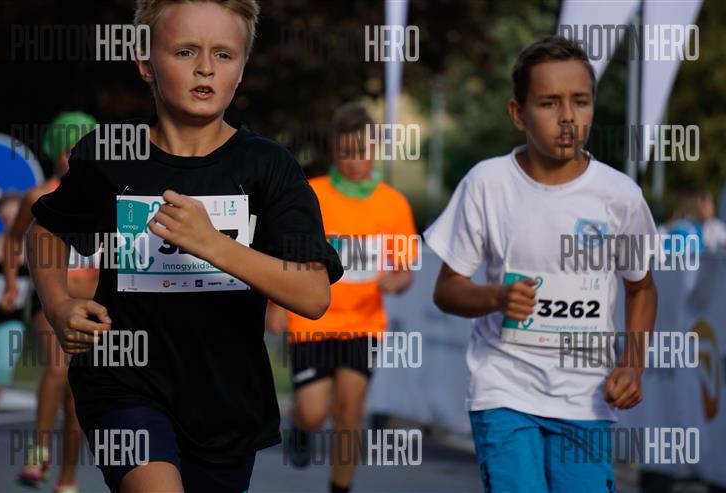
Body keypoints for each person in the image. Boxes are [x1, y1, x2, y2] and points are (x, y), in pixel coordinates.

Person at [26, 1, 342, 492]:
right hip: (121, 384)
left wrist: (212, 244)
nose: (205, 68)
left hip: (226, 401)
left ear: (242, 68)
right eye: (185, 51)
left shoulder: (269, 166)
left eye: (224, 54)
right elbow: (45, 229)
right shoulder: (111, 154)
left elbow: (314, 295)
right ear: (145, 63)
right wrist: (57, 304)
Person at [424, 36, 659, 493]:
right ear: (519, 114)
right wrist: (495, 297)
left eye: (580, 101)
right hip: (504, 387)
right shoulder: (487, 184)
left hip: (585, 397)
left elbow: (641, 287)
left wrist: (632, 365)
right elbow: (447, 289)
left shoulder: (620, 196)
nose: (568, 116)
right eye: (549, 103)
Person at [266, 102, 418, 493]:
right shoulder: (313, 194)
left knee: (350, 412)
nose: (353, 161)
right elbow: (288, 256)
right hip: (311, 321)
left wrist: (396, 281)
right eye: (345, 152)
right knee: (315, 412)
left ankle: (340, 488)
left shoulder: (392, 204)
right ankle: (301, 427)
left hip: (363, 325)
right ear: (334, 148)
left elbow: (405, 269)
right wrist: (277, 304)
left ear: (374, 150)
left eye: (361, 152)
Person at [2, 111, 98, 493]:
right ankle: (38, 453)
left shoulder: (109, 196)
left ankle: (68, 479)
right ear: (57, 153)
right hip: (50, 300)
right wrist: (12, 284)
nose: (72, 157)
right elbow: (13, 241)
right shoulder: (38, 196)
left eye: (82, 149)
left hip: (92, 304)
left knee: (77, 396)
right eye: (67, 149)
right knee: (58, 367)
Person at [0, 193, 29, 444]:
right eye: (6, 215)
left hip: (13, 318)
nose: (11, 219)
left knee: (4, 368)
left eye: (15, 214)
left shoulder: (34, 248)